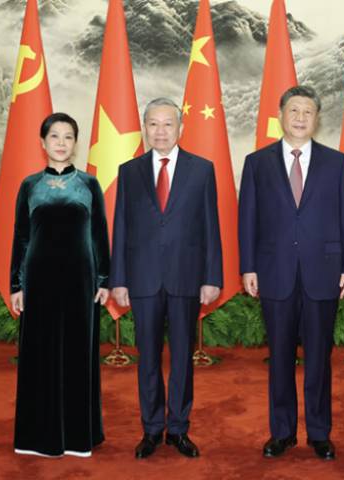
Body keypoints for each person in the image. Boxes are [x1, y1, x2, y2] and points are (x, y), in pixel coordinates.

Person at [238, 85, 344, 460]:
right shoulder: (257, 163)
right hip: (274, 272)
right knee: (279, 358)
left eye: (308, 111)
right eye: (294, 110)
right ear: (281, 115)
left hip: (324, 273)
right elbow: (247, 219)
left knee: (319, 359)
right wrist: (248, 266)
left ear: (317, 118)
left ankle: (320, 434)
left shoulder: (337, 163)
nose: (300, 117)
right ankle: (282, 432)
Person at [109, 97, 222, 459]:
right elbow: (121, 227)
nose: (160, 131)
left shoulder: (202, 170)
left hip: (186, 278)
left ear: (180, 128)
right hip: (142, 280)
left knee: (183, 359)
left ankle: (178, 429)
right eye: (153, 124)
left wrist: (212, 277)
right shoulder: (129, 171)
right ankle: (151, 429)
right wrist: (119, 279)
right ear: (145, 128)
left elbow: (211, 227)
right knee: (147, 359)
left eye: (168, 124)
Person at [10, 112, 110, 458]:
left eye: (68, 137)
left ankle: (78, 437)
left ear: (75, 143)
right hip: (38, 280)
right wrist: (16, 285)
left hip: (81, 281)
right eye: (55, 136)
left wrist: (104, 279)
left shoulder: (89, 185)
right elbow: (21, 237)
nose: (61, 143)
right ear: (43, 142)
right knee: (39, 353)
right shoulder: (29, 186)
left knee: (78, 353)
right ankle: (36, 437)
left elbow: (99, 235)